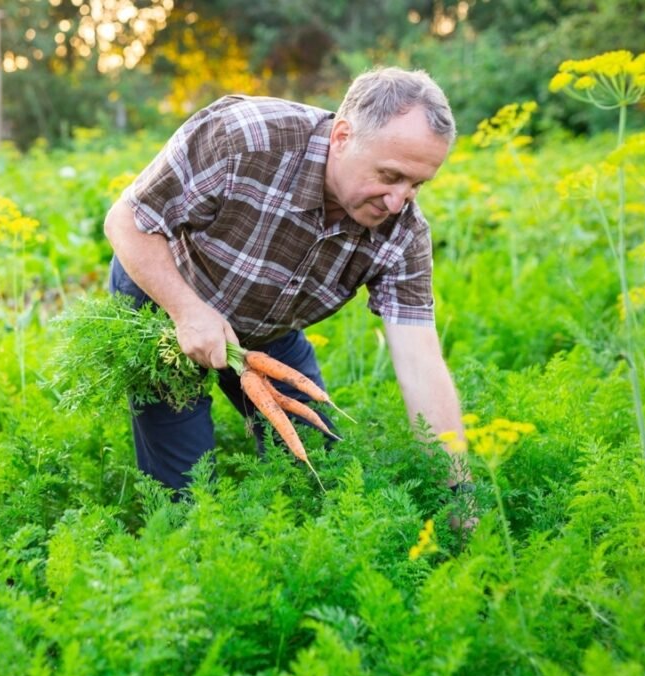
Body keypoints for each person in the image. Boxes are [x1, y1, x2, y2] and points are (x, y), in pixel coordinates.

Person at [104, 66, 473, 506]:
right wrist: (187, 311)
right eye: (390, 176)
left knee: (317, 466)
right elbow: (127, 220)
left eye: (417, 185)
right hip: (164, 300)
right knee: (183, 488)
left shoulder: (403, 234)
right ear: (342, 137)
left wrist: (459, 492)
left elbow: (421, 365)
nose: (397, 201)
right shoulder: (245, 138)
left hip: (268, 329)